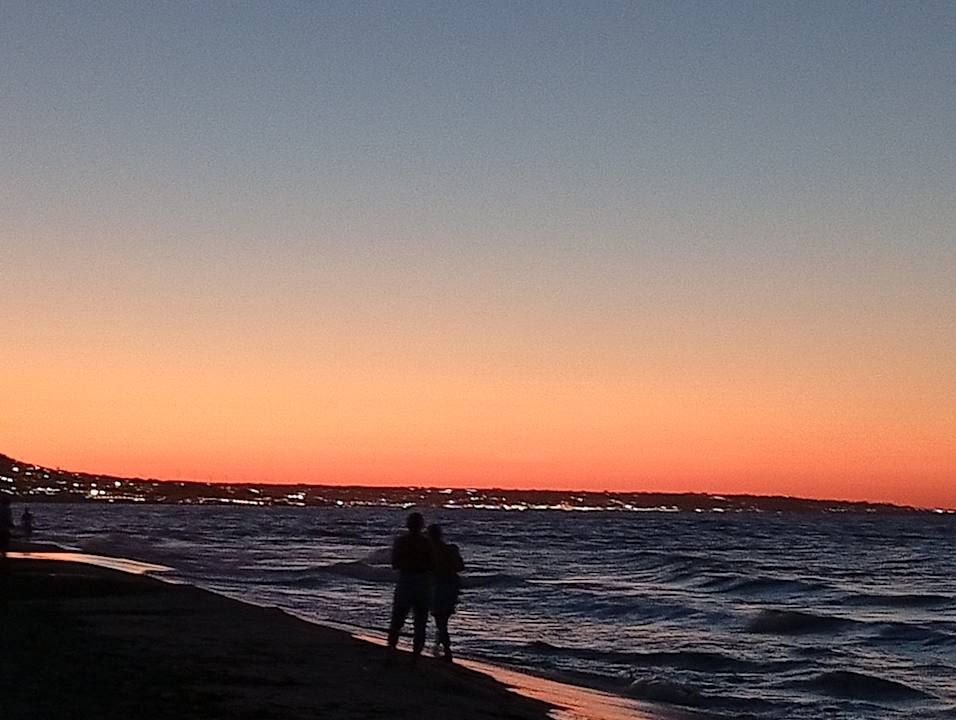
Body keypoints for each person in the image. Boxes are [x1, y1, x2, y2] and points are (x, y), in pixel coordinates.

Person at [387, 512, 433, 660]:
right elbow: (433, 564)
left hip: (406, 580)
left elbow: (395, 564)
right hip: (422, 582)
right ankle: (416, 656)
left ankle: (392, 649)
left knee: (397, 618)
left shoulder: (401, 542)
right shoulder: (427, 543)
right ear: (422, 525)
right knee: (420, 622)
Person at [427, 523, 464, 662]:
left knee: (440, 619)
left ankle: (446, 650)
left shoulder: (432, 552)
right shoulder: (451, 549)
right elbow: (460, 567)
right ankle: (439, 646)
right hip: (453, 586)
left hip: (440, 586)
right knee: (443, 619)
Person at [0, 495, 12, 561]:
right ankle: (4, 557)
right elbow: (7, 519)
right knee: (5, 544)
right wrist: (11, 525)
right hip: (4, 529)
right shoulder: (7, 509)